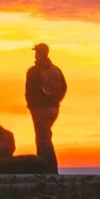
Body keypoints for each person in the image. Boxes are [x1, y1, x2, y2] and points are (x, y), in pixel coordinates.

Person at [24, 41, 67, 173]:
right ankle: (44, 169)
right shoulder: (57, 70)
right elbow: (64, 88)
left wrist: (32, 105)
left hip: (40, 108)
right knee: (44, 136)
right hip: (53, 108)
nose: (36, 55)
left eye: (37, 53)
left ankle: (49, 169)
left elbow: (29, 91)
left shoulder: (34, 72)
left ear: (39, 54)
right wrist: (55, 101)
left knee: (43, 138)